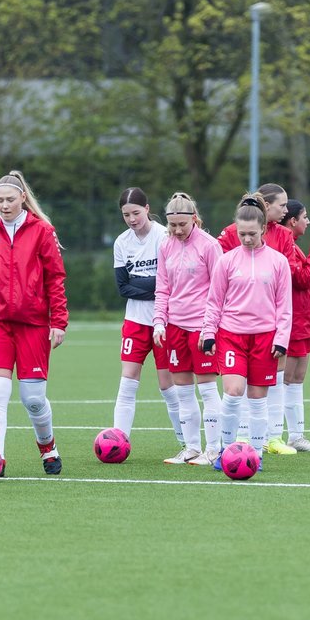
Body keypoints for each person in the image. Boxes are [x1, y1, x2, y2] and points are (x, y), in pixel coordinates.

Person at [0, 170, 68, 475]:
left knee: (33, 400)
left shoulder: (42, 231)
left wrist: (59, 321)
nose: (4, 205)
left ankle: (48, 448)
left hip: (34, 326)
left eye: (10, 199)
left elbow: (55, 278)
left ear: (23, 198)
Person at [217, 183, 310, 455]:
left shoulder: (283, 237)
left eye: (288, 206)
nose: (286, 210)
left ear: (261, 229)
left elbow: (288, 278)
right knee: (236, 389)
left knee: (272, 383)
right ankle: (236, 442)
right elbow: (219, 279)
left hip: (270, 324)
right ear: (267, 206)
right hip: (235, 328)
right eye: (282, 205)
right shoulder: (230, 234)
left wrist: (281, 332)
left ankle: (273, 438)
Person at [201, 196, 293, 472]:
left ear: (264, 229)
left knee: (256, 399)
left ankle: (254, 455)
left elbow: (284, 306)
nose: (247, 238)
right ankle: (225, 452)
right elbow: (214, 301)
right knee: (232, 392)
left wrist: (281, 339)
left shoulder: (278, 262)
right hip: (231, 335)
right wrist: (209, 333)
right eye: (242, 234)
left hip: (265, 338)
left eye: (252, 233)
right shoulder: (226, 261)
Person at [152, 192, 223, 466]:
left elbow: (219, 291)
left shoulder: (209, 245)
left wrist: (210, 328)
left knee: (207, 389)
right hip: (175, 327)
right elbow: (162, 287)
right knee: (182, 390)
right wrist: (159, 321)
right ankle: (192, 447)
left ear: (194, 219)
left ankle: (213, 449)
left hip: (202, 328)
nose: (178, 230)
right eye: (173, 225)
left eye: (183, 224)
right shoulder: (166, 245)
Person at [111, 187, 183, 450]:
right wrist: (156, 284)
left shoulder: (164, 236)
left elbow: (173, 282)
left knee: (168, 385)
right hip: (135, 321)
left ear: (148, 209)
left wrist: (143, 283)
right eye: (126, 214)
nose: (132, 219)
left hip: (164, 320)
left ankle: (185, 441)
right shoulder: (122, 242)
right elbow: (122, 288)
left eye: (136, 213)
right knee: (128, 380)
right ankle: (118, 441)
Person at [279, 199, 310, 451]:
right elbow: (303, 278)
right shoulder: (286, 246)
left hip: (303, 321)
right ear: (292, 221)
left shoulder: (294, 246)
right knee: (285, 379)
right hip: (292, 321)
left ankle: (296, 435)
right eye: (304, 217)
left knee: (297, 378)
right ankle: (275, 435)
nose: (308, 222)